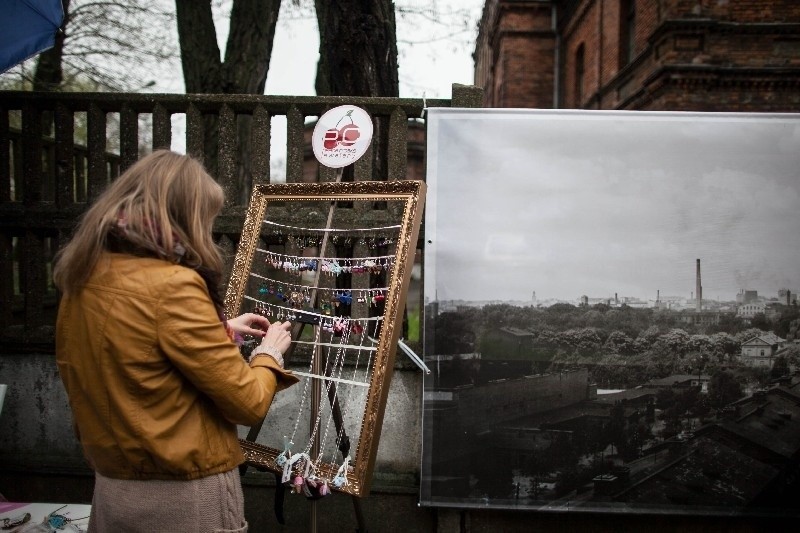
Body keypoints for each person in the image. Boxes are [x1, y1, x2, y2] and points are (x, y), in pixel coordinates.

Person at [53, 150, 297, 532]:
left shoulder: (85, 275)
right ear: (186, 216)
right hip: (182, 497)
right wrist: (269, 354)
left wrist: (221, 329)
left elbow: (134, 347)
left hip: (113, 488)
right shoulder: (173, 286)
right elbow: (247, 403)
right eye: (207, 218)